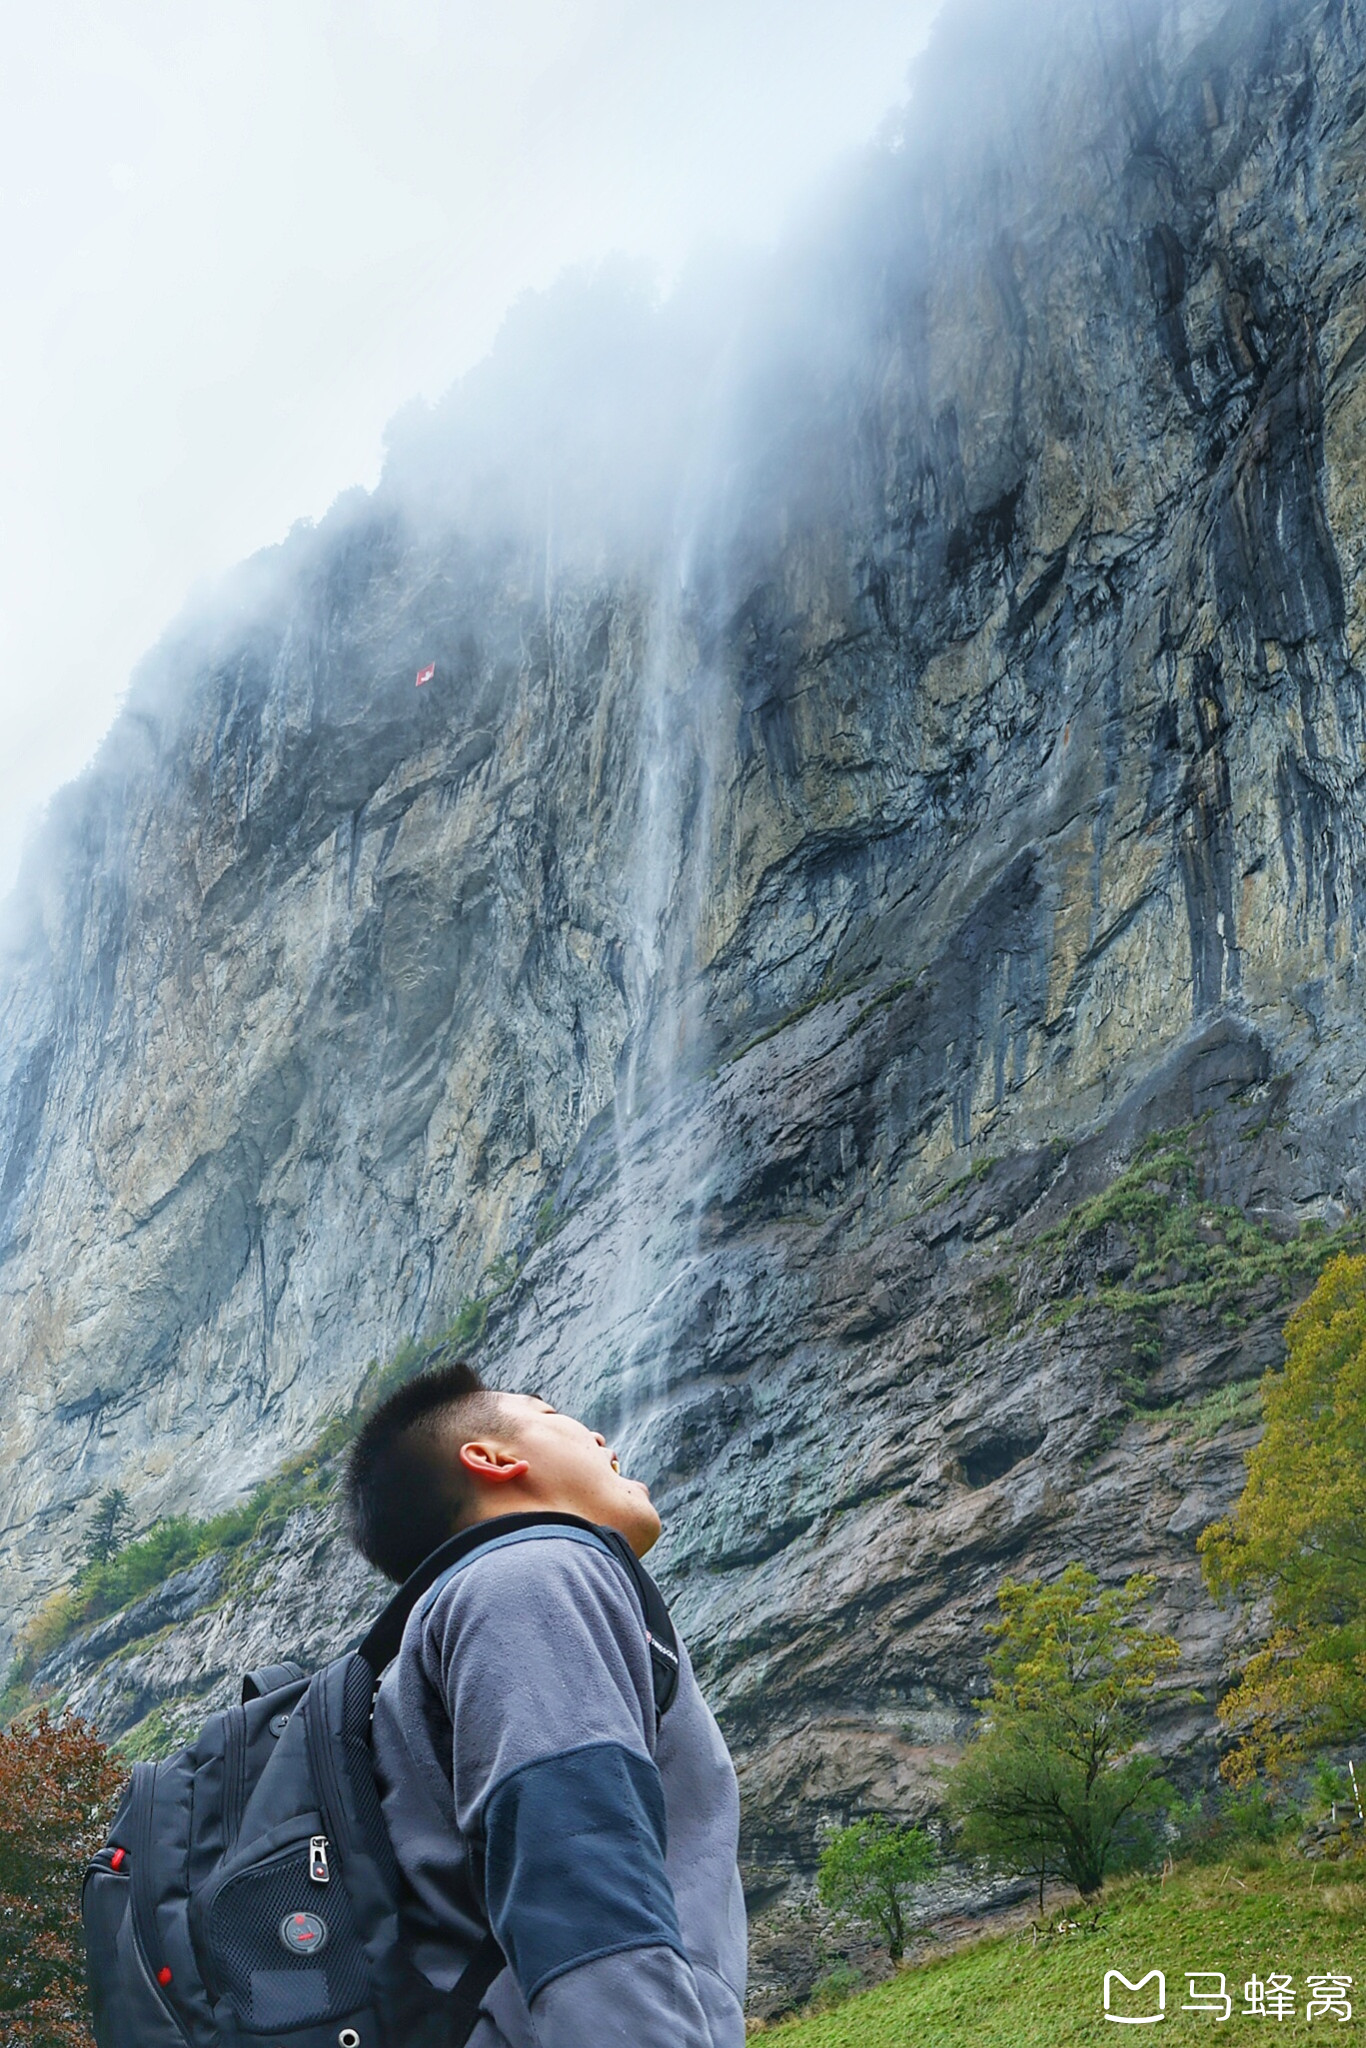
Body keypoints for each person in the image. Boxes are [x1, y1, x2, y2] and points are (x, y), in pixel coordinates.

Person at [342, 1358, 747, 2048]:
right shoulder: (532, 1578)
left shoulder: (477, 1604)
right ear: (492, 1459)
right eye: (559, 1419)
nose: (602, 1440)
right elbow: (584, 1897)